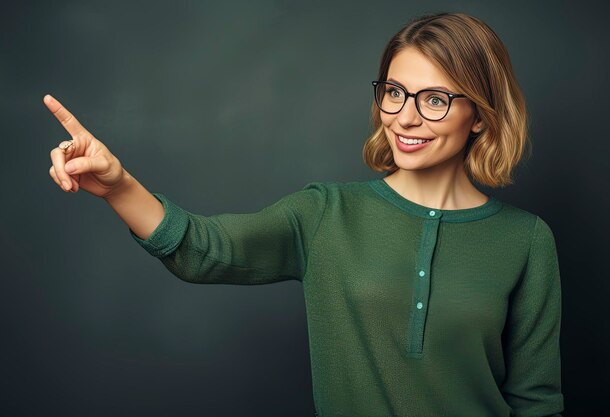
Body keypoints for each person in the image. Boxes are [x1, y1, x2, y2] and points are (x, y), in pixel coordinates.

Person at [45, 11, 564, 417]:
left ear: (479, 114)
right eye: (394, 92)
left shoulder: (525, 240)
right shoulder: (326, 213)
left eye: (435, 99)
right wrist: (118, 184)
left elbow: (536, 399)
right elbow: (203, 251)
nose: (405, 116)